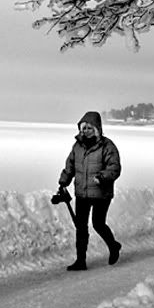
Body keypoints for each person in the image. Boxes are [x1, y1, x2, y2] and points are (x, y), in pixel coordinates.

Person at [58, 111, 122, 271]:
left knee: (98, 224)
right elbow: (70, 166)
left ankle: (113, 246)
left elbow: (114, 168)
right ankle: (81, 261)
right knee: (81, 227)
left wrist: (102, 177)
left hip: (101, 193)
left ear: (97, 129)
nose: (85, 131)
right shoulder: (77, 146)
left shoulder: (107, 146)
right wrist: (63, 182)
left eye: (89, 128)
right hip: (82, 193)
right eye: (83, 128)